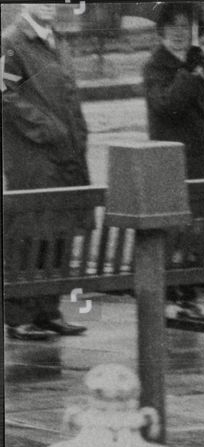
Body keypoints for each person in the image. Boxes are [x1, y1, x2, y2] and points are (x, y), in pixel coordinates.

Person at [143, 1, 204, 321]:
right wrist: (189, 73)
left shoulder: (199, 62)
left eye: (188, 27)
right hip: (175, 166)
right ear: (162, 30)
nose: (181, 34)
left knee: (200, 235)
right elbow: (167, 105)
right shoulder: (155, 66)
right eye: (174, 27)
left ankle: (190, 296)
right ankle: (173, 297)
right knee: (177, 235)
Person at [1, 3, 90, 342]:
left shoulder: (59, 41)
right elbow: (4, 94)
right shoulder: (9, 43)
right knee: (29, 233)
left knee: (58, 232)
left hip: (67, 156)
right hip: (31, 159)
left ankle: (47, 310)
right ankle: (19, 315)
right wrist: (47, 128)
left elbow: (69, 97)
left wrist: (79, 132)